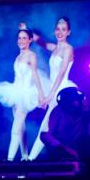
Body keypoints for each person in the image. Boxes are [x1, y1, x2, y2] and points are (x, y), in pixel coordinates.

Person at [0, 27, 48, 161]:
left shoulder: (31, 55)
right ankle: (24, 156)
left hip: (26, 94)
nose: (21, 40)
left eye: (24, 38)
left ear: (30, 40)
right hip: (16, 91)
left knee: (16, 128)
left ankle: (9, 159)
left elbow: (35, 75)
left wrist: (41, 95)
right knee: (21, 127)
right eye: (19, 38)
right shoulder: (18, 56)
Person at [28, 17, 77, 160]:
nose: (60, 32)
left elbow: (61, 73)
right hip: (54, 89)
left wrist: (50, 96)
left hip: (62, 92)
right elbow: (41, 42)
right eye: (57, 29)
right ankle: (30, 160)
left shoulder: (68, 49)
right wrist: (26, 29)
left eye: (63, 29)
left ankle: (29, 161)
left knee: (46, 128)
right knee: (48, 128)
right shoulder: (55, 48)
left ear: (68, 32)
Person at [40, 87, 90, 170]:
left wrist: (88, 114)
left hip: (80, 152)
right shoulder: (57, 111)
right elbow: (46, 135)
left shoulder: (86, 112)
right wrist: (64, 148)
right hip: (60, 152)